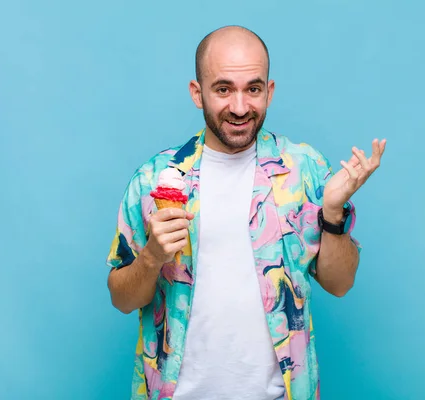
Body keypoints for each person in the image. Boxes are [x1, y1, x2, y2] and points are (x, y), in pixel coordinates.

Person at [105, 25, 386, 400]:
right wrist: (153, 256)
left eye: (253, 89)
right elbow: (122, 299)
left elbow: (340, 283)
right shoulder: (155, 179)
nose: (240, 107)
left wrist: (332, 215)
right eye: (223, 89)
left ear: (268, 91)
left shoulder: (306, 171)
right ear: (197, 93)